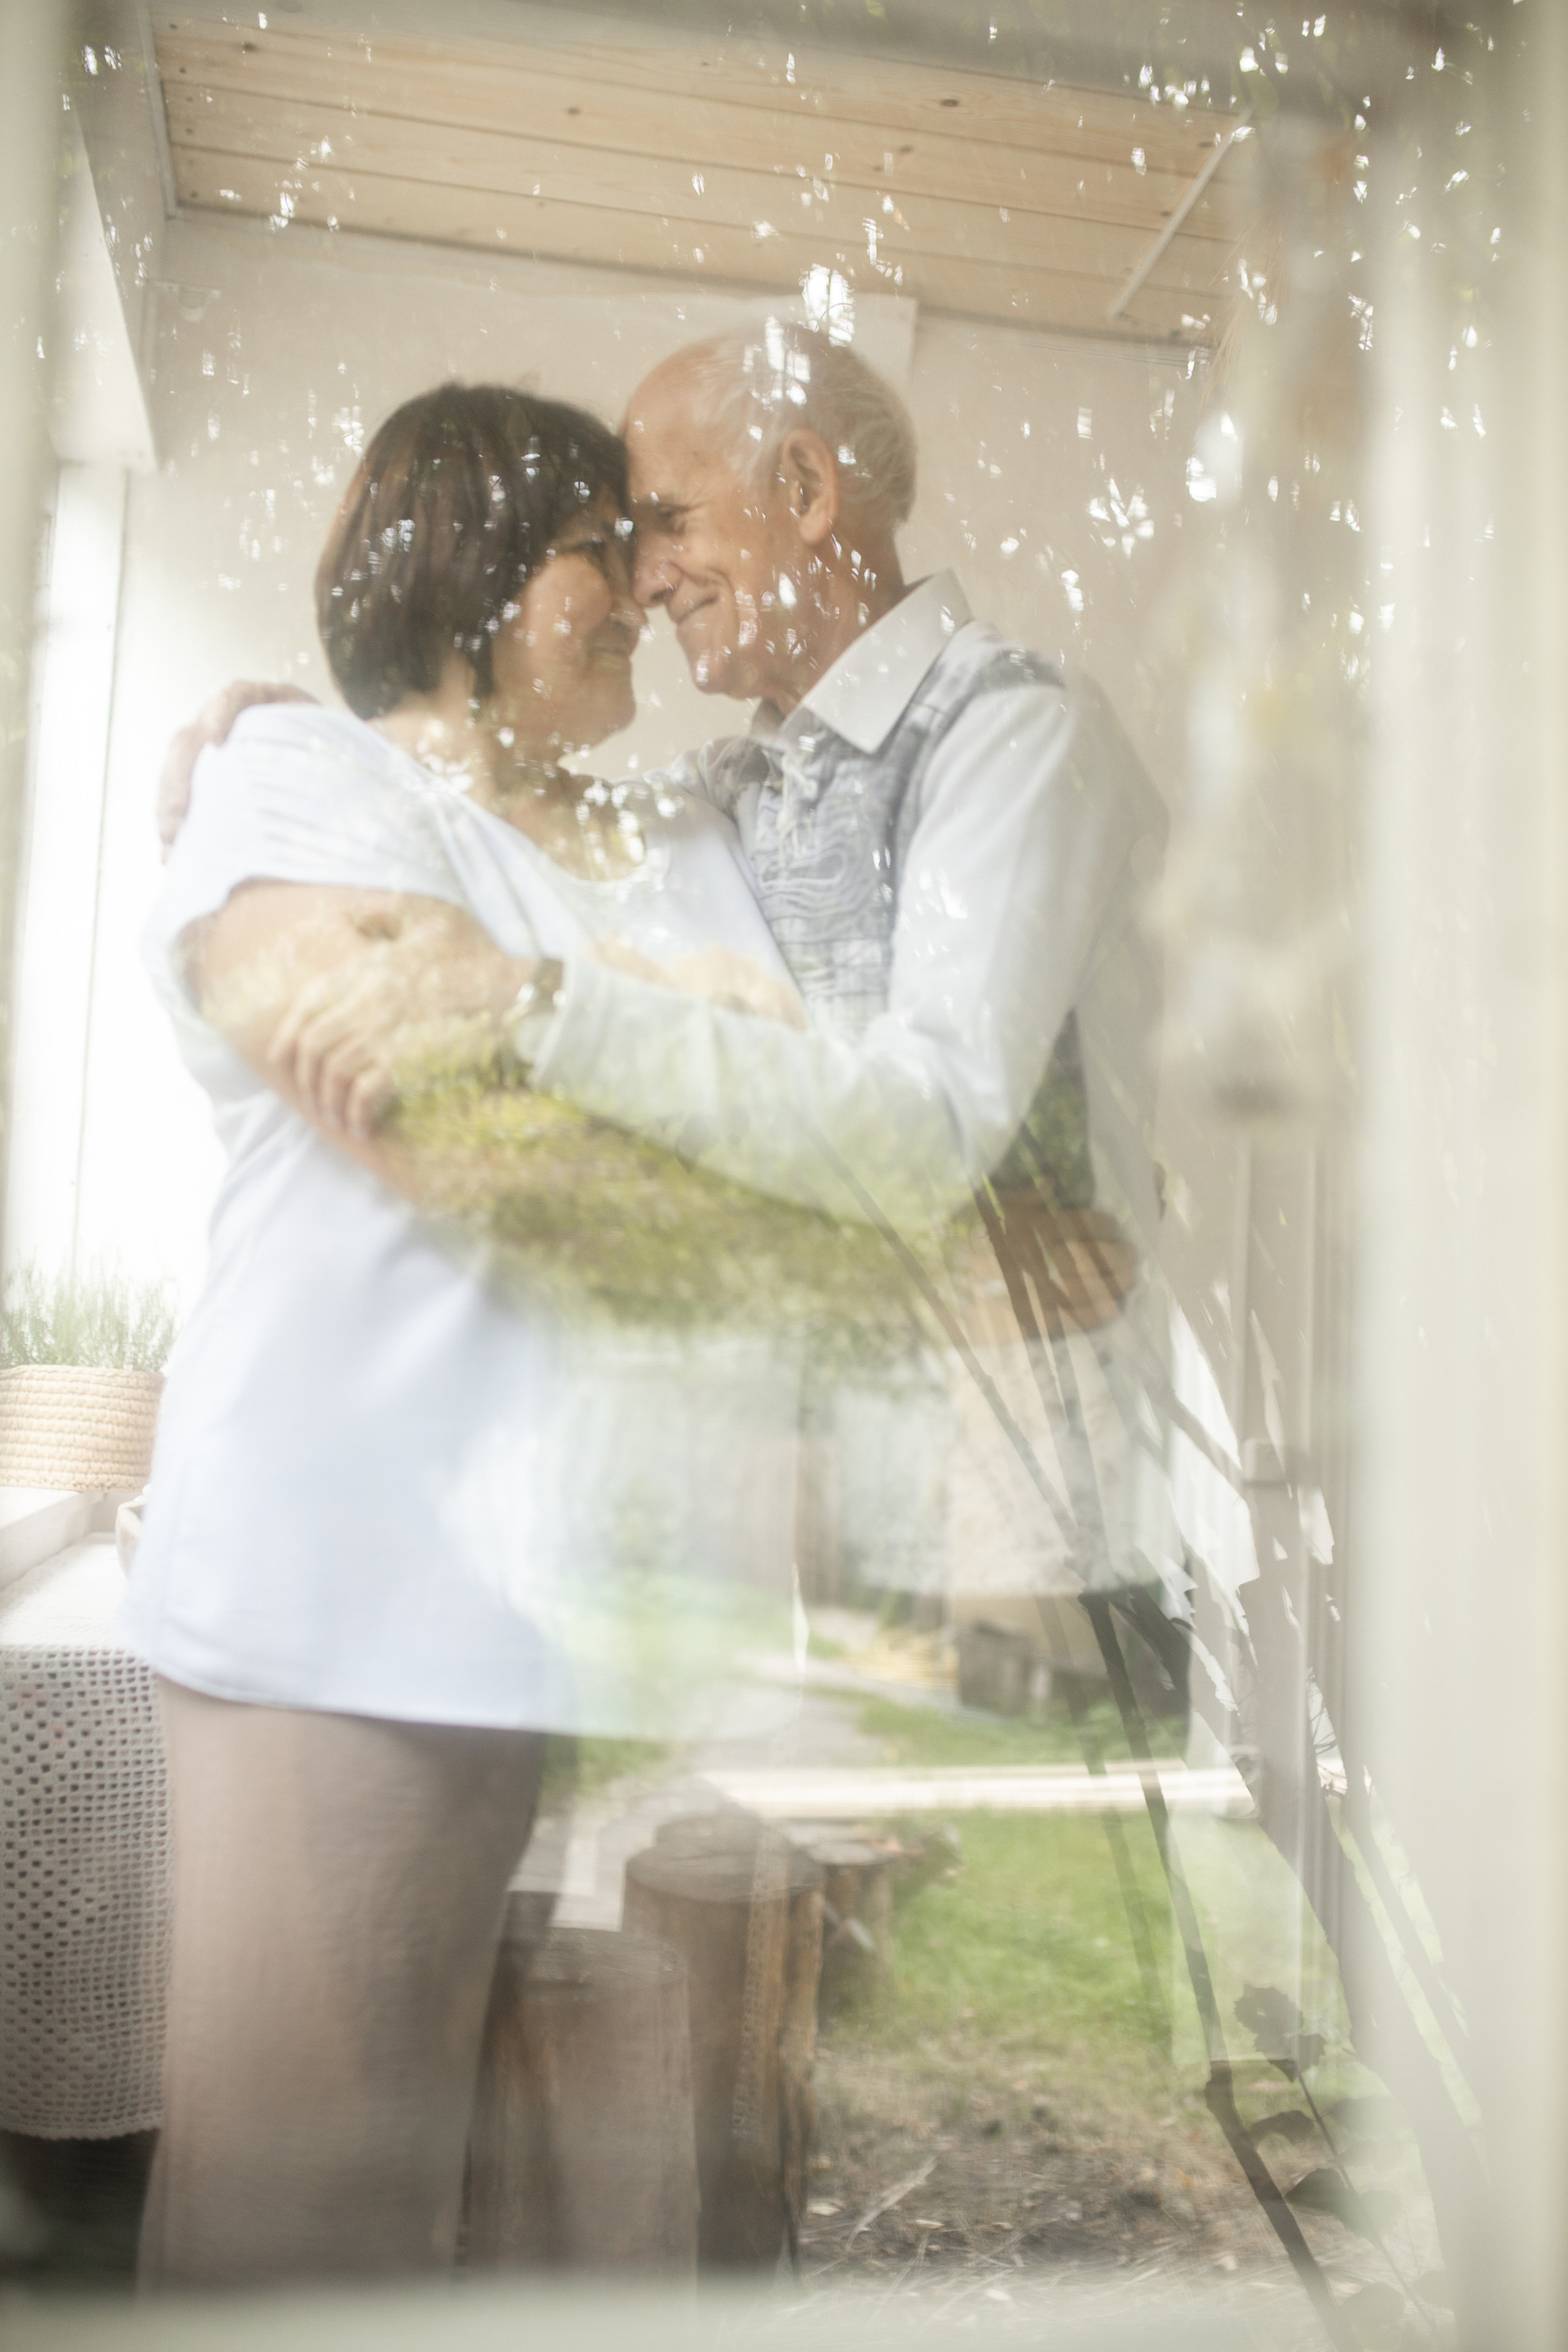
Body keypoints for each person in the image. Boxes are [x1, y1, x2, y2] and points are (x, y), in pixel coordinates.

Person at [126, 381, 805, 2287]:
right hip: (329, 1627)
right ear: (486, 566)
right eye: (615, 542)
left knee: (464, 2222)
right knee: (298, 2236)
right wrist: (681, 1070)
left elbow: (796, 1152)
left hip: (511, 1628)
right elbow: (442, 1109)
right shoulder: (300, 778)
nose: (650, 589)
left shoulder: (641, 846)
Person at [184, 327, 1173, 1605]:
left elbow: (928, 1127)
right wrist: (296, 732)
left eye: (660, 523)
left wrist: (532, 1003)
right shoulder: (731, 792)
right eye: (608, 546)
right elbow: (511, 812)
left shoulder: (1014, 733)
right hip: (824, 1529)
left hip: (1024, 1541)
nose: (642, 582)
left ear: (807, 495)